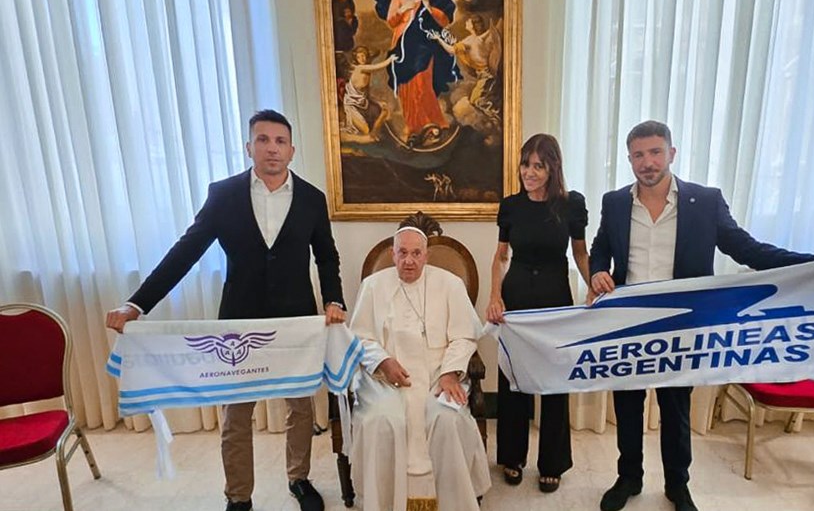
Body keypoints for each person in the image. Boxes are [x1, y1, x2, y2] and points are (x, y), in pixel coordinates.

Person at [105, 109, 346, 511]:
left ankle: (299, 478)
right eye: (263, 140)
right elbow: (184, 252)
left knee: (300, 407)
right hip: (238, 322)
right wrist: (136, 303)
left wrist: (334, 300)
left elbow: (327, 257)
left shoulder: (312, 199)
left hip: (296, 323)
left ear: (292, 150)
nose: (272, 148)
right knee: (236, 416)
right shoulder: (224, 195)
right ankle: (238, 496)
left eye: (280, 141)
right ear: (249, 145)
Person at [589, 120, 814, 511]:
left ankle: (678, 485)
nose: (647, 162)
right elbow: (601, 249)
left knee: (676, 408)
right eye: (639, 155)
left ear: (671, 153)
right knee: (627, 407)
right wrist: (597, 270)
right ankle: (628, 477)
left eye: (655, 152)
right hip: (626, 323)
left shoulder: (706, 201)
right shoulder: (614, 203)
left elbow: (749, 250)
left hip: (684, 323)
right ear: (629, 159)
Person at [349, 225, 491, 511]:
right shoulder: (373, 286)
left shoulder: (450, 284)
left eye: (416, 253)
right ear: (393, 254)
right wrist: (384, 362)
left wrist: (450, 373)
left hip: (439, 375)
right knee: (382, 419)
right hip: (386, 379)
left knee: (447, 420)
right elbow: (360, 337)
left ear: (427, 256)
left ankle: (452, 503)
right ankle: (386, 502)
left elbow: (465, 335)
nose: (409, 261)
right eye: (402, 253)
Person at [486, 134, 590, 493]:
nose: (529, 172)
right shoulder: (511, 205)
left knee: (555, 380)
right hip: (515, 297)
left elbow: (580, 254)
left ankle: (553, 462)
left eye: (538, 165)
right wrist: (494, 296)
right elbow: (501, 256)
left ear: (552, 169)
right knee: (513, 377)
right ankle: (512, 457)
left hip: (555, 297)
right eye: (525, 163)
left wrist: (593, 287)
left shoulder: (571, 204)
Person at [371, 0, 461, 144]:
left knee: (423, 82)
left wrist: (430, 9)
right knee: (408, 86)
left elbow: (444, 20)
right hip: (405, 42)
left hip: (424, 43)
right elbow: (392, 20)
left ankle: (433, 121)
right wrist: (402, 10)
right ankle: (414, 127)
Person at [341, 46, 396, 143]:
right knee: (365, 130)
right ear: (356, 59)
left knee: (384, 111)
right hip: (352, 105)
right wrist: (390, 60)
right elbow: (376, 67)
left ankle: (373, 135)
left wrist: (378, 102)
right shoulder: (360, 69)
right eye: (359, 57)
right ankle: (366, 136)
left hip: (363, 103)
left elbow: (367, 94)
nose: (362, 59)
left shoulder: (367, 73)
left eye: (363, 56)